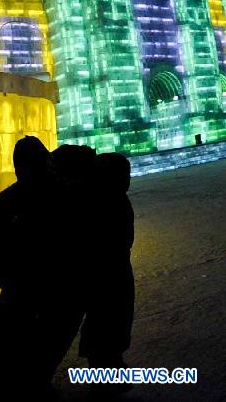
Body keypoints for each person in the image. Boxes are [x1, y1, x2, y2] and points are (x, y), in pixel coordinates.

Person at [0, 135, 58, 398]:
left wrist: (6, 280)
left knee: (14, 351)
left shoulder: (11, 198)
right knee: (38, 348)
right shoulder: (57, 193)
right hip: (41, 286)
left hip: (23, 287)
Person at [79, 153, 134, 370]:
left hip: (114, 272)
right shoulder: (107, 202)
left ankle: (109, 371)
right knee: (108, 325)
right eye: (124, 175)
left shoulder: (111, 199)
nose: (128, 179)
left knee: (113, 323)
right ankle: (105, 380)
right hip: (109, 276)